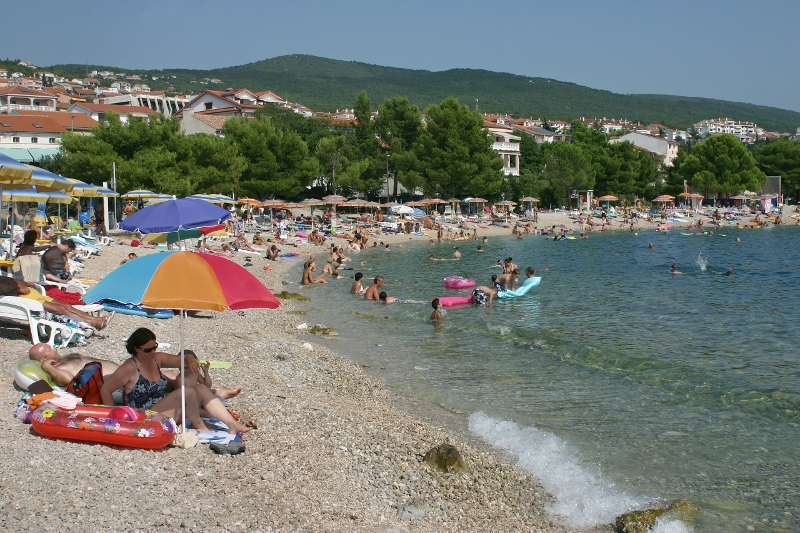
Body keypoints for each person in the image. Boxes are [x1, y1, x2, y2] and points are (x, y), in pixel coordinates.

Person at [99, 328, 250, 434]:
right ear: (136, 349)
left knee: (201, 389)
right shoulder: (129, 368)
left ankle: (232, 424)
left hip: (163, 408)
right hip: (144, 415)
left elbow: (183, 359)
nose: (153, 352)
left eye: (155, 347)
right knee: (188, 392)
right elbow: (106, 389)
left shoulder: (156, 359)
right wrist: (114, 416)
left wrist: (190, 359)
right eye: (148, 350)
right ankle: (200, 425)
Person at [0, 277, 113, 331]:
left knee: (66, 306)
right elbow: (5, 293)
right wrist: (18, 290)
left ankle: (97, 320)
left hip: (32, 294)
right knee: (60, 309)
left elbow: (11, 282)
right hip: (25, 299)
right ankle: (93, 322)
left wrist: (26, 283)